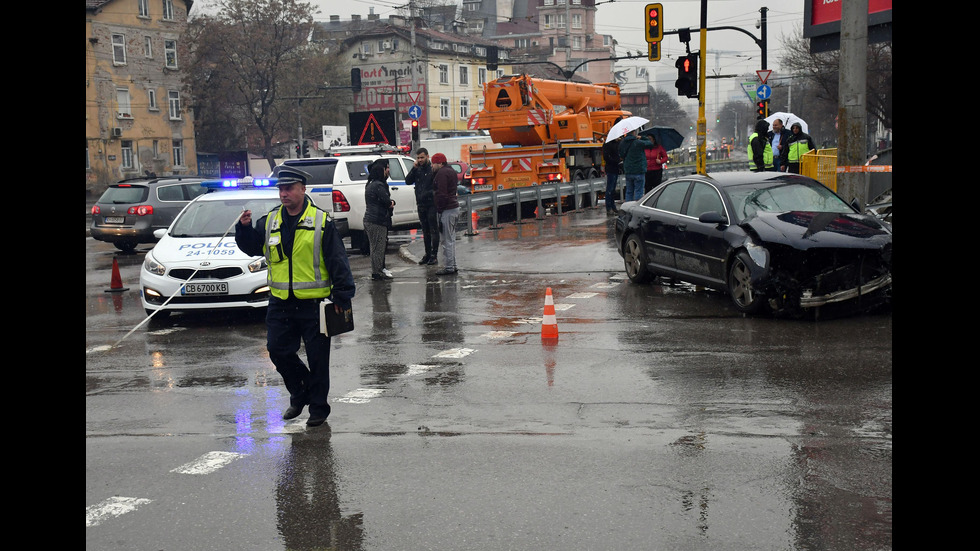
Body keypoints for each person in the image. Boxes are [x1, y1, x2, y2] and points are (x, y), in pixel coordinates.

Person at [235, 167, 355, 428]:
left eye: (289, 188)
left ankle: (318, 409)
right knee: (278, 351)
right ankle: (300, 392)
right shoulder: (269, 221)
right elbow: (250, 247)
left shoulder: (321, 221)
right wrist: (243, 229)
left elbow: (337, 260)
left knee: (318, 359)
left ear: (303, 189)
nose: (284, 193)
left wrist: (342, 296)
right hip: (280, 302)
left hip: (315, 304)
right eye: (281, 189)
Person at [406, 148, 439, 265]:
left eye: (422, 157)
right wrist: (414, 168)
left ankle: (434, 255)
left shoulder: (432, 169)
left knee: (433, 229)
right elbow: (407, 181)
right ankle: (428, 254)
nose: (420, 160)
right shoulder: (417, 169)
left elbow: (436, 187)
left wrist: (429, 194)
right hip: (421, 204)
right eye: (418, 158)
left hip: (431, 204)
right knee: (425, 231)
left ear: (427, 157)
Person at [363, 158, 394, 280]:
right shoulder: (378, 185)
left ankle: (377, 270)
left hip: (370, 219)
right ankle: (377, 272)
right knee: (378, 248)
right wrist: (391, 202)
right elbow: (386, 201)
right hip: (377, 220)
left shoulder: (370, 184)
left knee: (374, 247)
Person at [431, 152, 459, 276]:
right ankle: (452, 264)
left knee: (446, 240)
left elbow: (442, 193)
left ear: (440, 163)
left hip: (447, 209)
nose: (432, 166)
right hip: (454, 207)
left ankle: (449, 267)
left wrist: (440, 209)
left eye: (434, 163)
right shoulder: (451, 171)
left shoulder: (441, 173)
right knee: (451, 239)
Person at [618, 129, 653, 202]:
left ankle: (628, 208)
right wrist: (642, 137)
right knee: (638, 192)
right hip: (638, 170)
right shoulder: (637, 142)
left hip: (628, 171)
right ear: (634, 132)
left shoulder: (622, 143)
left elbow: (621, 155)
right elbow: (650, 144)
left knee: (629, 191)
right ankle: (636, 209)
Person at [602, 120, 623, 215]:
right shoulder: (607, 144)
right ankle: (609, 207)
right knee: (610, 189)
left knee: (613, 189)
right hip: (611, 168)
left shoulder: (617, 143)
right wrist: (617, 161)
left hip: (615, 168)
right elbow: (607, 157)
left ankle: (613, 206)